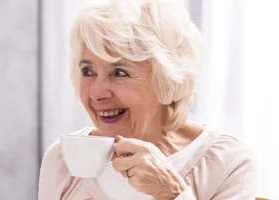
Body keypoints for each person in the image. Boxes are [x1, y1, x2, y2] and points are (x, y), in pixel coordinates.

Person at [38, 0, 257, 199]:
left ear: (167, 78)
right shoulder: (62, 159)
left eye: (120, 72)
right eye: (87, 71)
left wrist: (170, 193)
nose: (96, 93)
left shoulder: (227, 163)